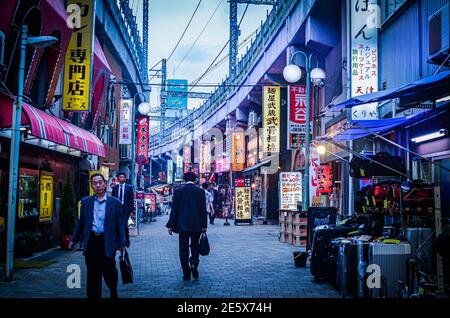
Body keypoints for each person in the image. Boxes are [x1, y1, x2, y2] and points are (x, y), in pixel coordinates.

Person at [69, 173, 126, 299]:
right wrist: (73, 240)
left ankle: (113, 289)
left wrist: (122, 243)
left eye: (100, 182)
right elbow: (81, 223)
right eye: (95, 183)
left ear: (105, 184)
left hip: (108, 241)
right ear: (92, 186)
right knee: (93, 273)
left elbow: (120, 225)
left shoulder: (115, 203)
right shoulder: (86, 202)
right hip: (92, 241)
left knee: (109, 271)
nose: (98, 185)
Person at [166, 172, 207, 281]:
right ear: (195, 180)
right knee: (195, 246)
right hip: (197, 225)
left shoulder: (179, 192)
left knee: (183, 248)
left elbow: (174, 209)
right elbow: (203, 209)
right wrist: (204, 225)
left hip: (182, 225)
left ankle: (186, 272)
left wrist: (170, 225)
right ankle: (193, 263)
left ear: (184, 180)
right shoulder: (200, 191)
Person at [111, 172, 134, 247]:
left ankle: (126, 241)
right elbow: (112, 199)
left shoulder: (129, 188)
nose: (122, 178)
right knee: (117, 225)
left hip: (125, 210)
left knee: (124, 226)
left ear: (125, 178)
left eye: (123, 177)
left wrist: (131, 211)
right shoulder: (115, 188)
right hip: (116, 209)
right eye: (120, 177)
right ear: (118, 179)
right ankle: (118, 241)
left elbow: (131, 200)